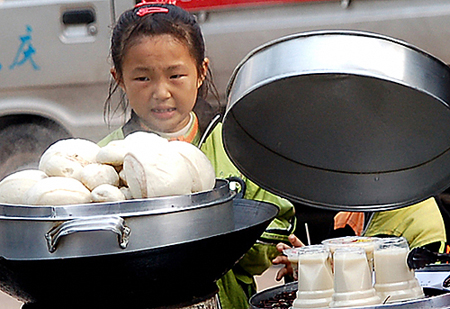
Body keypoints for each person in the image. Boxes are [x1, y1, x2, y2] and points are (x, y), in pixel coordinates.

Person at [98, 1, 296, 308]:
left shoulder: (235, 146)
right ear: (119, 78)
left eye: (175, 75)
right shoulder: (104, 161)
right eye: (142, 78)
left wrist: (252, 246)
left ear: (201, 71)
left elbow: (276, 221)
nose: (161, 92)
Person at [273, 196, 447, 280]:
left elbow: (427, 291)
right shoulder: (347, 215)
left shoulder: (425, 221)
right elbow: (329, 276)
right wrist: (308, 266)